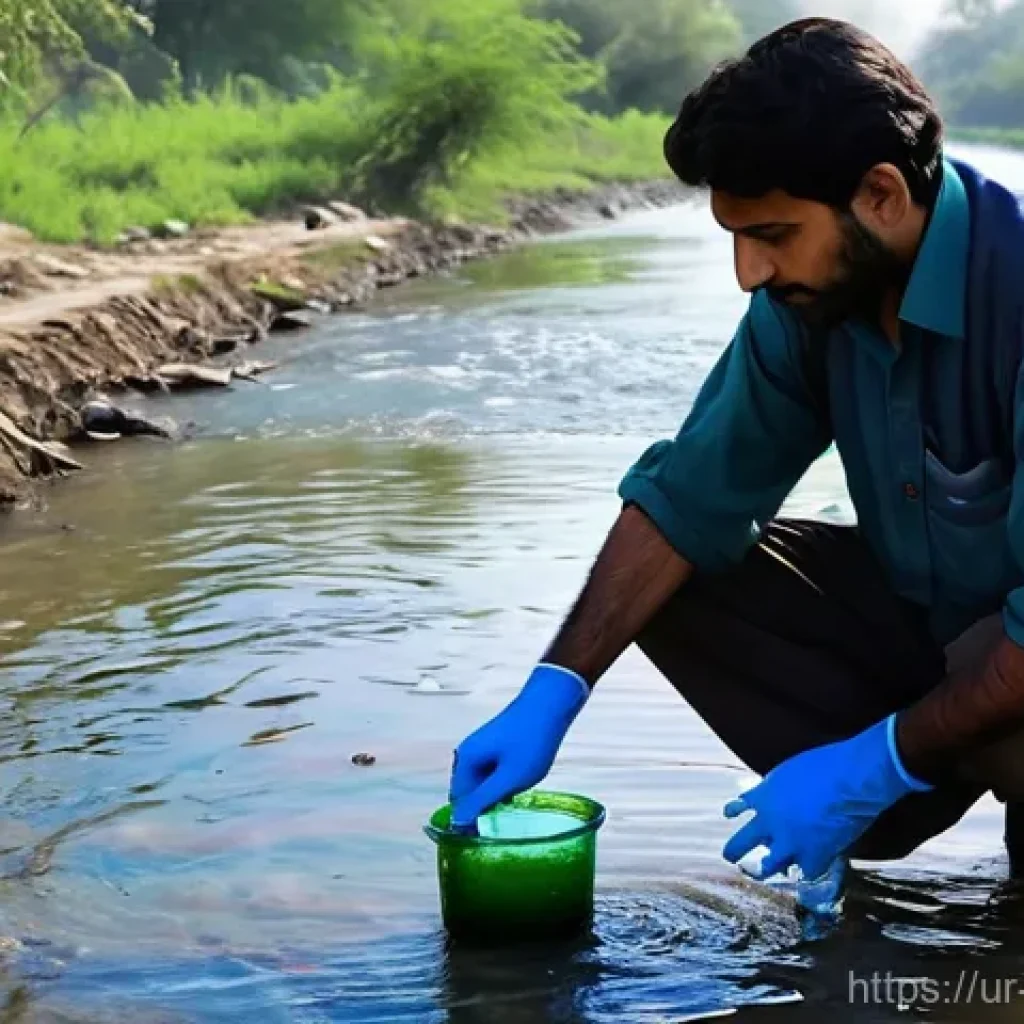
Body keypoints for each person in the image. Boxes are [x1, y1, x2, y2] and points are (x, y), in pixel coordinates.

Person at [447, 17, 1024, 908]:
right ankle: (905, 782)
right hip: (949, 637)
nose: (748, 272)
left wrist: (878, 762)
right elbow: (692, 495)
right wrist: (553, 690)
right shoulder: (812, 303)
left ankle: (908, 770)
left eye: (774, 234)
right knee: (672, 568)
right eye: (735, 235)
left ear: (879, 194)